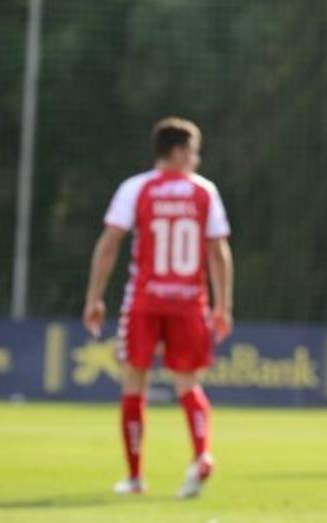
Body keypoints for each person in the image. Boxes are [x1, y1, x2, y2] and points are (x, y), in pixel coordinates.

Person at [83, 117, 234, 499]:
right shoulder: (204, 192)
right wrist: (223, 304)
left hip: (145, 302)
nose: (197, 160)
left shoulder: (136, 189)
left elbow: (109, 243)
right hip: (189, 301)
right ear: (179, 152)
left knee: (134, 383)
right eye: (194, 152)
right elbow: (219, 252)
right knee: (189, 383)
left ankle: (134, 478)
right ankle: (201, 455)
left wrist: (94, 297)